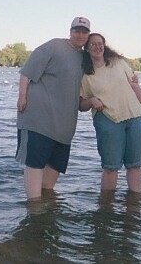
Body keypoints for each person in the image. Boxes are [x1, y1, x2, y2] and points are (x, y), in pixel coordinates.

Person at [16, 17, 91, 199]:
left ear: (88, 35)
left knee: (54, 171)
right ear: (70, 31)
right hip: (38, 120)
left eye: (84, 32)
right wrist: (22, 97)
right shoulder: (53, 46)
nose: (80, 35)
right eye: (77, 31)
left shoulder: (84, 58)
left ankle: (46, 210)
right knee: (34, 164)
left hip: (64, 127)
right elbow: (26, 73)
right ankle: (34, 208)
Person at [79, 33, 141, 193]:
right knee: (111, 168)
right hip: (108, 120)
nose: (97, 47)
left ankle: (134, 207)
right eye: (93, 44)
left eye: (100, 43)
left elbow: (135, 86)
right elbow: (81, 105)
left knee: (135, 166)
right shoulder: (85, 74)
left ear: (105, 46)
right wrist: (91, 101)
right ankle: (106, 208)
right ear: (87, 49)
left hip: (135, 118)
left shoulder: (118, 63)